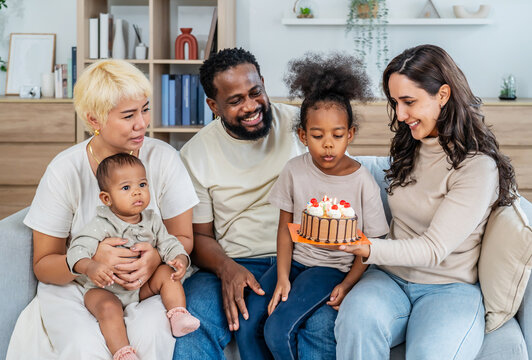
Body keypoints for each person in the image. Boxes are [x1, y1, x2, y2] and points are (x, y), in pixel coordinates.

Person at [6, 59, 199, 360]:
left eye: (145, 109)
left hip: (146, 283)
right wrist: (91, 262)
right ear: (94, 120)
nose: (142, 123)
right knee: (85, 347)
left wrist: (155, 259)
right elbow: (44, 264)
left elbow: (183, 239)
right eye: (128, 115)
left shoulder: (164, 159)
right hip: (80, 285)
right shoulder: (64, 169)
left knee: (153, 336)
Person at [334, 44, 517, 359]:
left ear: (442, 95)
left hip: (448, 287)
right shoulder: (412, 146)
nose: (401, 115)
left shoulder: (476, 167)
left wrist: (366, 247)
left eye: (408, 102)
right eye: (395, 103)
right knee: (355, 322)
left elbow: (433, 249)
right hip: (388, 278)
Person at [174, 48, 338, 360]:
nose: (251, 107)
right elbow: (202, 237)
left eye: (255, 92)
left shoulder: (302, 127)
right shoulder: (195, 155)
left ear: (263, 82)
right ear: (213, 105)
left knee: (320, 323)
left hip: (304, 259)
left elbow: (341, 182)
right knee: (194, 322)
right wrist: (226, 269)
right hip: (234, 261)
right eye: (235, 101)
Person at [238, 52, 390, 360]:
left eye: (337, 135)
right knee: (246, 323)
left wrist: (348, 284)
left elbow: (371, 245)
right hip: (294, 262)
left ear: (351, 134)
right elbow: (285, 227)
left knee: (278, 328)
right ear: (303, 136)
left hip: (329, 270)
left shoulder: (363, 183)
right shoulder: (295, 170)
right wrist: (281, 276)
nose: (328, 144)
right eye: (318, 136)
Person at [66, 153, 200, 360]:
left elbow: (169, 242)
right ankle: (123, 352)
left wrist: (180, 259)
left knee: (168, 272)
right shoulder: (101, 224)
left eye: (142, 185)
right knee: (107, 308)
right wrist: (90, 267)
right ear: (106, 198)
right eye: (126, 188)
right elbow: (77, 249)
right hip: (105, 288)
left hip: (141, 286)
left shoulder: (152, 220)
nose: (137, 192)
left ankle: (178, 314)